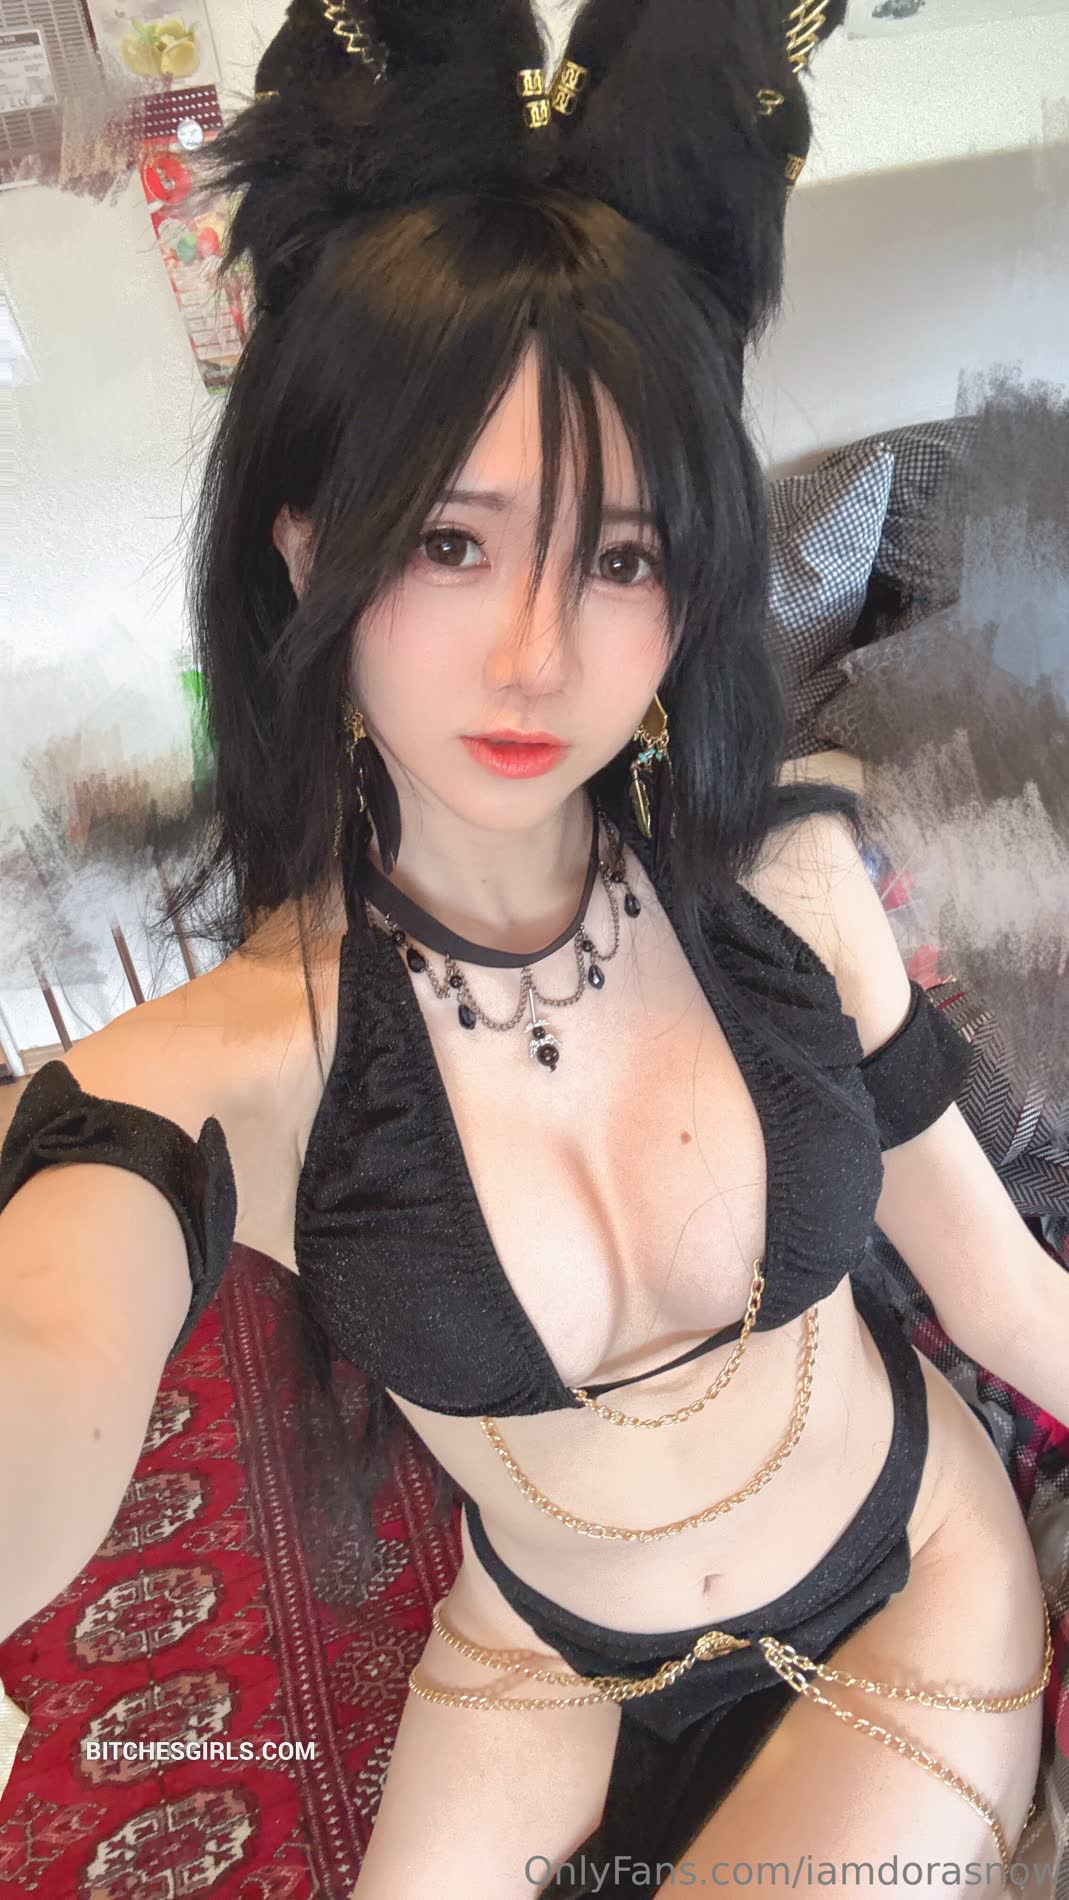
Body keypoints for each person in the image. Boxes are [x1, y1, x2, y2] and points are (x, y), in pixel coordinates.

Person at [0, 1, 1061, 1894]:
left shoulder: (794, 885)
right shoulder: (215, 1069)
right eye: (451, 542)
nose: (535, 653)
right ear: (308, 552)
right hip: (543, 1640)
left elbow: (1001, 1299)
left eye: (621, 556)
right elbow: (45, 1347)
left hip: (907, 1567)